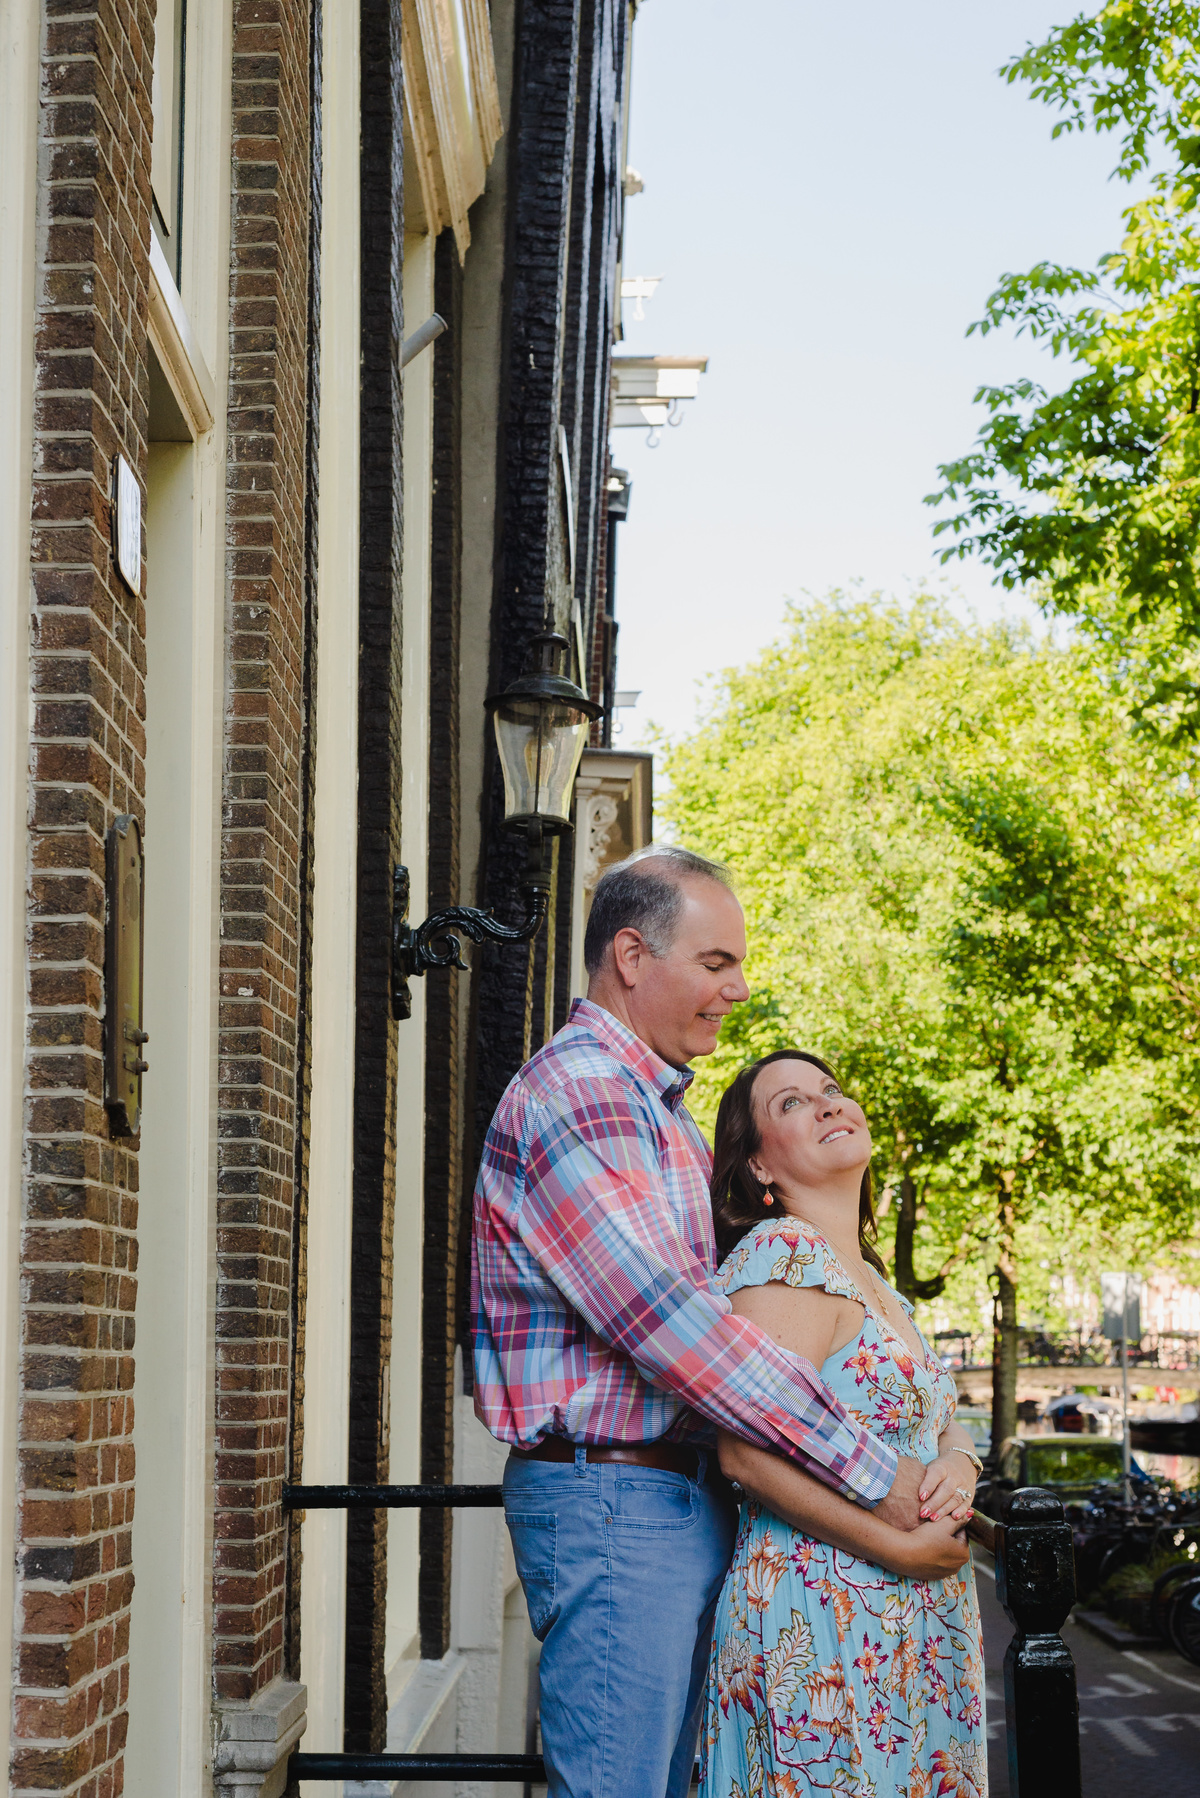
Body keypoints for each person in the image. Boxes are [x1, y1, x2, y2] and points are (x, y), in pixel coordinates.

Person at [471, 847, 947, 1798]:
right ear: (634, 956)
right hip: (616, 1504)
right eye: (717, 963)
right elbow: (675, 1332)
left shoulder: (663, 1119)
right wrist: (873, 1475)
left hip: (662, 1502)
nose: (738, 988)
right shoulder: (584, 1096)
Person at [700, 1051, 986, 1798]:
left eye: (830, 1091)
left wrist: (961, 1467)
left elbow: (945, 1423)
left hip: (908, 1611)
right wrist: (897, 1546)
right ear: (758, 1166)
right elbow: (745, 1454)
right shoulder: (782, 1258)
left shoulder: (877, 1282)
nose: (829, 1104)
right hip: (821, 1612)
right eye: (792, 1103)